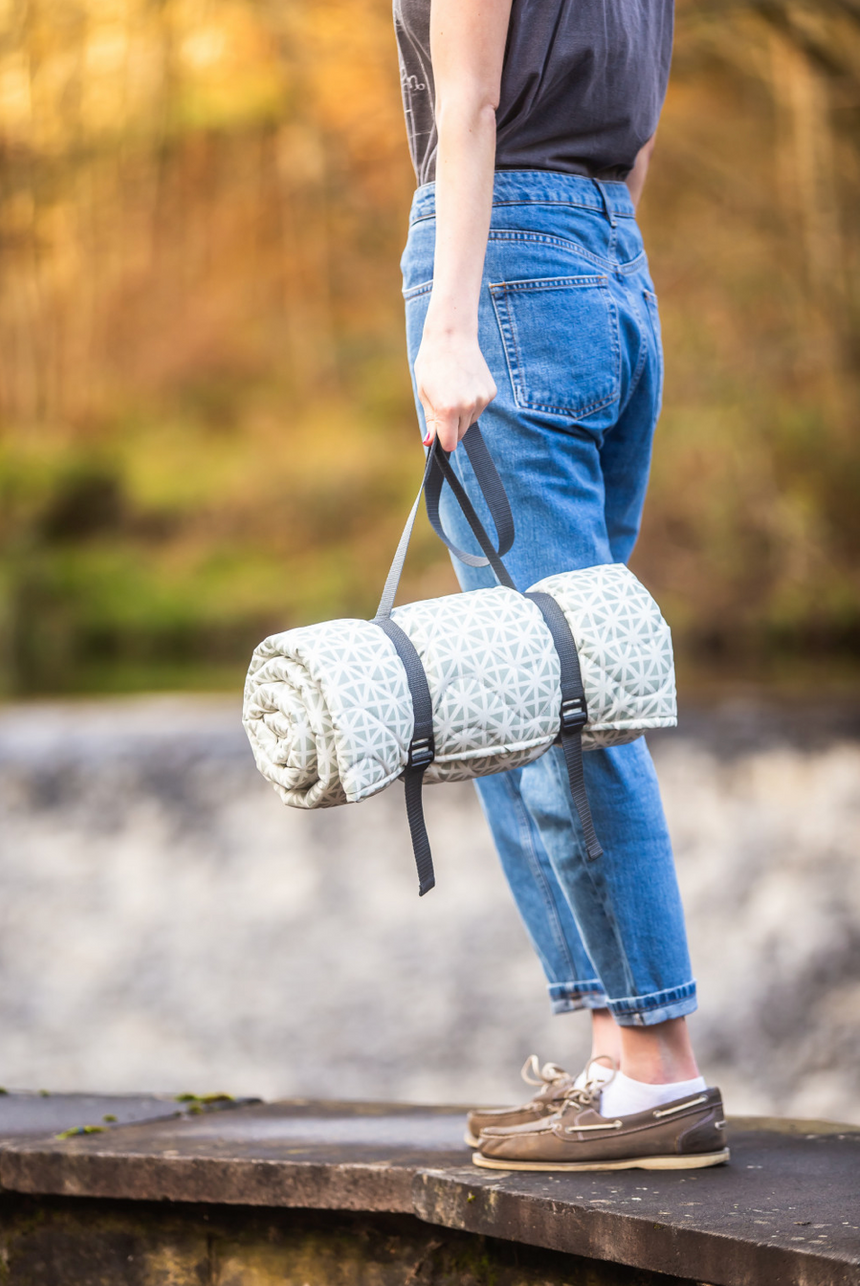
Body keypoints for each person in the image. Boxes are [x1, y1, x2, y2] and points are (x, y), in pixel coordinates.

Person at [393, 0, 729, 1170]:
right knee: (557, 682)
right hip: (607, 268)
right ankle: (612, 1051)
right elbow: (635, 141)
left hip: (504, 264)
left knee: (555, 694)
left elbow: (470, 106)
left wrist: (447, 326)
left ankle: (656, 1068)